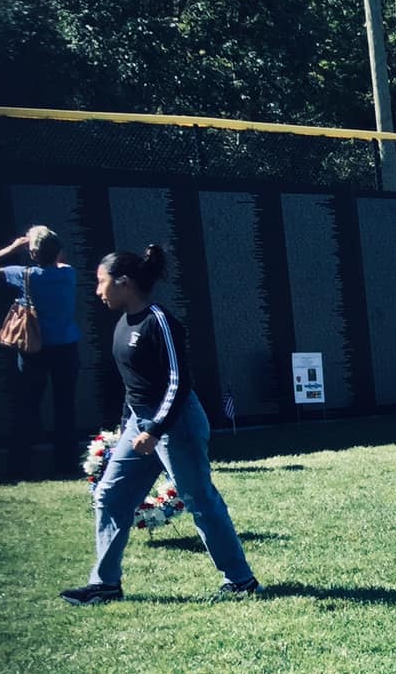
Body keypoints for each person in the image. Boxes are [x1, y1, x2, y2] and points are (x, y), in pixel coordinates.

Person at [59, 245, 261, 605]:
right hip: (140, 425)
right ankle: (105, 584)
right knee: (110, 495)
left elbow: (178, 381)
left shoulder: (159, 320)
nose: (97, 291)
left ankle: (241, 581)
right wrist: (128, 427)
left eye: (101, 282)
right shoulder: (122, 324)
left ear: (124, 282)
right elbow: (132, 384)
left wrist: (155, 428)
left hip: (176, 422)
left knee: (199, 499)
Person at [0, 225, 83, 477]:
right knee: (65, 407)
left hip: (33, 349)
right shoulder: (68, 274)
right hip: (66, 347)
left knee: (27, 405)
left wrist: (13, 247)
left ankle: (20, 464)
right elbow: (59, 259)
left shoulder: (24, 275)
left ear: (32, 253)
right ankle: (66, 464)